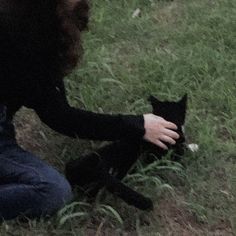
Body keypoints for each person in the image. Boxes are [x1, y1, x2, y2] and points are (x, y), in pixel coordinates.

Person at [0, 0, 179, 220]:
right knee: (52, 191)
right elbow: (61, 117)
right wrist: (138, 125)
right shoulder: (23, 36)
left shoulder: (33, 23)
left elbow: (57, 109)